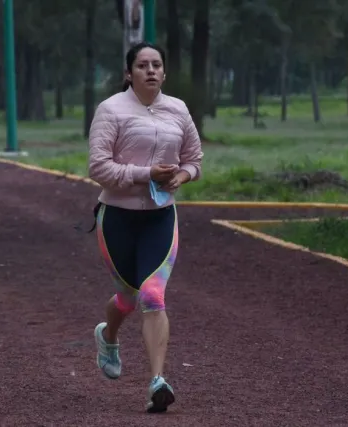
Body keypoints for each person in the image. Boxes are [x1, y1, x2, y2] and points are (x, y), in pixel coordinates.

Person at [87, 41, 203, 413]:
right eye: (142, 65)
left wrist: (182, 176)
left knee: (153, 294)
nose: (150, 71)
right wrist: (145, 174)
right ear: (128, 73)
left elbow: (194, 159)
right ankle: (108, 336)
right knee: (128, 297)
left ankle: (157, 382)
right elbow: (98, 167)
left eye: (156, 65)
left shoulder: (178, 109)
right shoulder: (111, 110)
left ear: (164, 73)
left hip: (160, 217)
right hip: (117, 218)